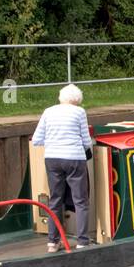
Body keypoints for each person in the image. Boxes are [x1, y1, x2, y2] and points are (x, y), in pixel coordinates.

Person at [31, 84, 94, 252]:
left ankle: (53, 242)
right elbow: (87, 141)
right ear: (77, 100)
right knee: (81, 201)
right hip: (74, 159)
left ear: (61, 97)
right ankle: (82, 241)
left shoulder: (48, 111)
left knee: (55, 200)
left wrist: (54, 143)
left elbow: (37, 139)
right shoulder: (79, 112)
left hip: (52, 159)